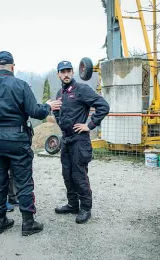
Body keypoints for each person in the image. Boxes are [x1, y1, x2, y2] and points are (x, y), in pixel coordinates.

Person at [0, 51, 61, 236]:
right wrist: (48, 106)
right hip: (17, 139)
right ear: (12, 67)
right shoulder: (20, 85)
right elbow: (35, 111)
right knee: (23, 182)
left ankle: (0, 221)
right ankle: (28, 223)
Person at [53, 60, 109, 224]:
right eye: (62, 72)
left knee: (79, 175)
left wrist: (89, 125)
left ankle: (85, 208)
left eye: (69, 71)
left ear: (73, 72)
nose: (66, 74)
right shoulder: (59, 94)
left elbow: (103, 106)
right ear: (58, 74)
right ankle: (72, 204)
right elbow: (57, 113)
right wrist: (61, 123)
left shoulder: (81, 89)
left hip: (80, 140)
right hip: (66, 140)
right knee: (67, 174)